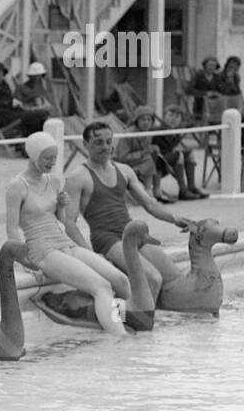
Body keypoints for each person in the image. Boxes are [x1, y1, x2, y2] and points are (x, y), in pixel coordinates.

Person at [6, 131, 130, 336]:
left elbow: (62, 220)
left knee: (120, 280)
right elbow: (11, 228)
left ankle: (123, 323)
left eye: (55, 158)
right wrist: (24, 262)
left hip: (64, 242)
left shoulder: (54, 181)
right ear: (34, 156)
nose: (53, 162)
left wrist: (62, 206)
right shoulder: (16, 186)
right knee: (102, 287)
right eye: (48, 158)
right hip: (42, 249)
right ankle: (119, 339)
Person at [64, 120, 190, 302]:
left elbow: (150, 204)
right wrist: (90, 254)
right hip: (107, 240)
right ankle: (142, 322)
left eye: (109, 142)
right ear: (85, 145)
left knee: (174, 276)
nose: (106, 147)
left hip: (132, 234)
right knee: (152, 278)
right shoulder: (78, 177)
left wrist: (175, 219)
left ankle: (156, 315)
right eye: (98, 142)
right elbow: (69, 223)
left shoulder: (124, 171)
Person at [151, 105, 209, 200]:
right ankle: (183, 190)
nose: (173, 119)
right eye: (171, 115)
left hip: (167, 159)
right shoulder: (156, 131)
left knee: (189, 153)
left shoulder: (177, 132)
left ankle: (192, 187)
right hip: (157, 162)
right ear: (164, 116)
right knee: (179, 155)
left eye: (177, 117)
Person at [0, 61, 48, 138]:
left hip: (13, 111)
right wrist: (10, 103)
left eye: (0, 71)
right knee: (34, 115)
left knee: (42, 114)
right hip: (3, 116)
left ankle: (35, 140)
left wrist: (18, 104)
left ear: (3, 73)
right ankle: (27, 141)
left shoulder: (4, 83)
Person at [113, 105, 162, 199]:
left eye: (149, 120)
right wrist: (143, 153)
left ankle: (151, 189)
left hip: (138, 162)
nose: (146, 122)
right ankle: (148, 190)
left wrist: (152, 148)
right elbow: (122, 157)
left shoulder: (147, 133)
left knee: (153, 157)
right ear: (137, 121)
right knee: (148, 159)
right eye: (143, 119)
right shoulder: (128, 134)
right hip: (121, 164)